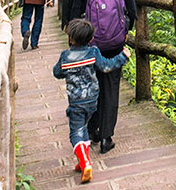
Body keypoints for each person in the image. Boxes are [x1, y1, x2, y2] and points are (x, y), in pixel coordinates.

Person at [68, 0, 135, 152]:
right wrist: (123, 32)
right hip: (115, 44)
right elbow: (132, 11)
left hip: (90, 45)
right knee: (111, 88)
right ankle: (107, 137)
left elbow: (74, 17)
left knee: (91, 85)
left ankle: (93, 131)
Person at [53, 18, 127, 184]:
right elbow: (106, 66)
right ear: (91, 39)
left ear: (71, 38)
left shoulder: (66, 57)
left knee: (75, 133)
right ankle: (81, 161)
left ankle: (85, 161)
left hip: (76, 103)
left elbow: (57, 72)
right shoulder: (93, 53)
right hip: (93, 101)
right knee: (84, 128)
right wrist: (122, 56)